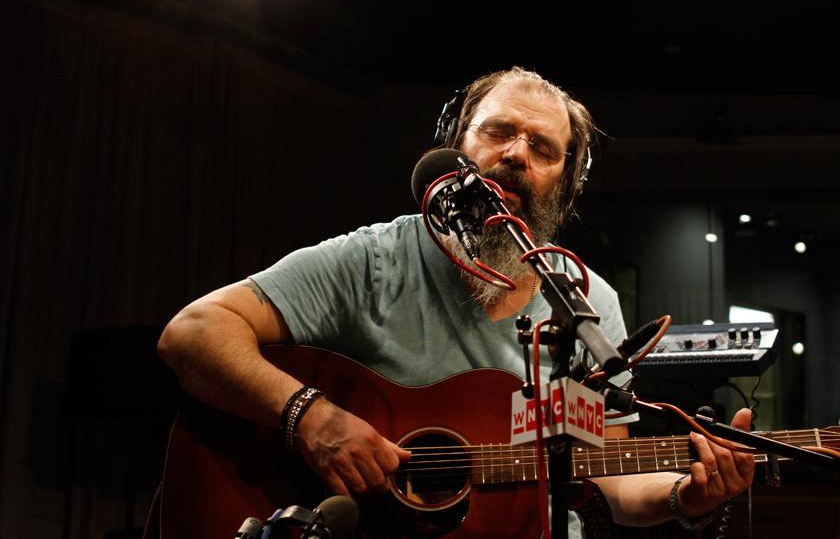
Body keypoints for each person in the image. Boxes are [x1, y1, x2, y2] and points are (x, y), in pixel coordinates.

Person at [157, 66, 755, 536]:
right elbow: (193, 332)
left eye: (543, 149)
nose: (516, 154)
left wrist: (686, 496)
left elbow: (608, 482)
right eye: (498, 133)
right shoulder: (375, 260)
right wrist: (311, 417)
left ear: (564, 184)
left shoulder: (585, 301)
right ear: (458, 146)